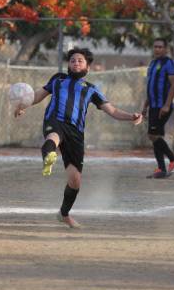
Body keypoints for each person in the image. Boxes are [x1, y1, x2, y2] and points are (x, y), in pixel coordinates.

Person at [14, 47, 142, 228]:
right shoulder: (57, 79)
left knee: (75, 181)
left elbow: (112, 110)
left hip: (76, 133)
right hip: (55, 121)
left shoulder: (91, 89)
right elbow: (37, 96)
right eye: (72, 60)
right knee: (52, 137)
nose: (75, 63)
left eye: (80, 61)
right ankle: (49, 157)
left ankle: (64, 214)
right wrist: (23, 104)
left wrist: (131, 117)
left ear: (87, 67)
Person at [142, 38, 174, 179]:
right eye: (155, 47)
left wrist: (166, 104)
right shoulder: (152, 64)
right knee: (155, 136)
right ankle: (161, 169)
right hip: (153, 106)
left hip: (162, 106)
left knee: (153, 135)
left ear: (165, 49)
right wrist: (145, 106)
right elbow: (151, 87)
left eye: (160, 47)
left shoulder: (169, 63)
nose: (157, 49)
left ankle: (173, 160)